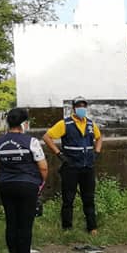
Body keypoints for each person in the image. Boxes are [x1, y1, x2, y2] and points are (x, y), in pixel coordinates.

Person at [0, 108, 48, 253]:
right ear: (24, 124)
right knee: (25, 223)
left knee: (11, 222)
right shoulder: (31, 142)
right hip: (27, 185)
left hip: (6, 185)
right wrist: (41, 182)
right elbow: (43, 167)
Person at [43, 96, 102, 235]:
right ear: (74, 108)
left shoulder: (90, 124)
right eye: (79, 106)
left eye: (84, 106)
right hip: (71, 167)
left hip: (87, 167)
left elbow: (99, 138)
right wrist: (59, 154)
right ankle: (67, 228)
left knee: (89, 198)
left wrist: (97, 152)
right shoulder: (65, 123)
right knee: (68, 199)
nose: (82, 108)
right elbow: (46, 137)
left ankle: (92, 227)